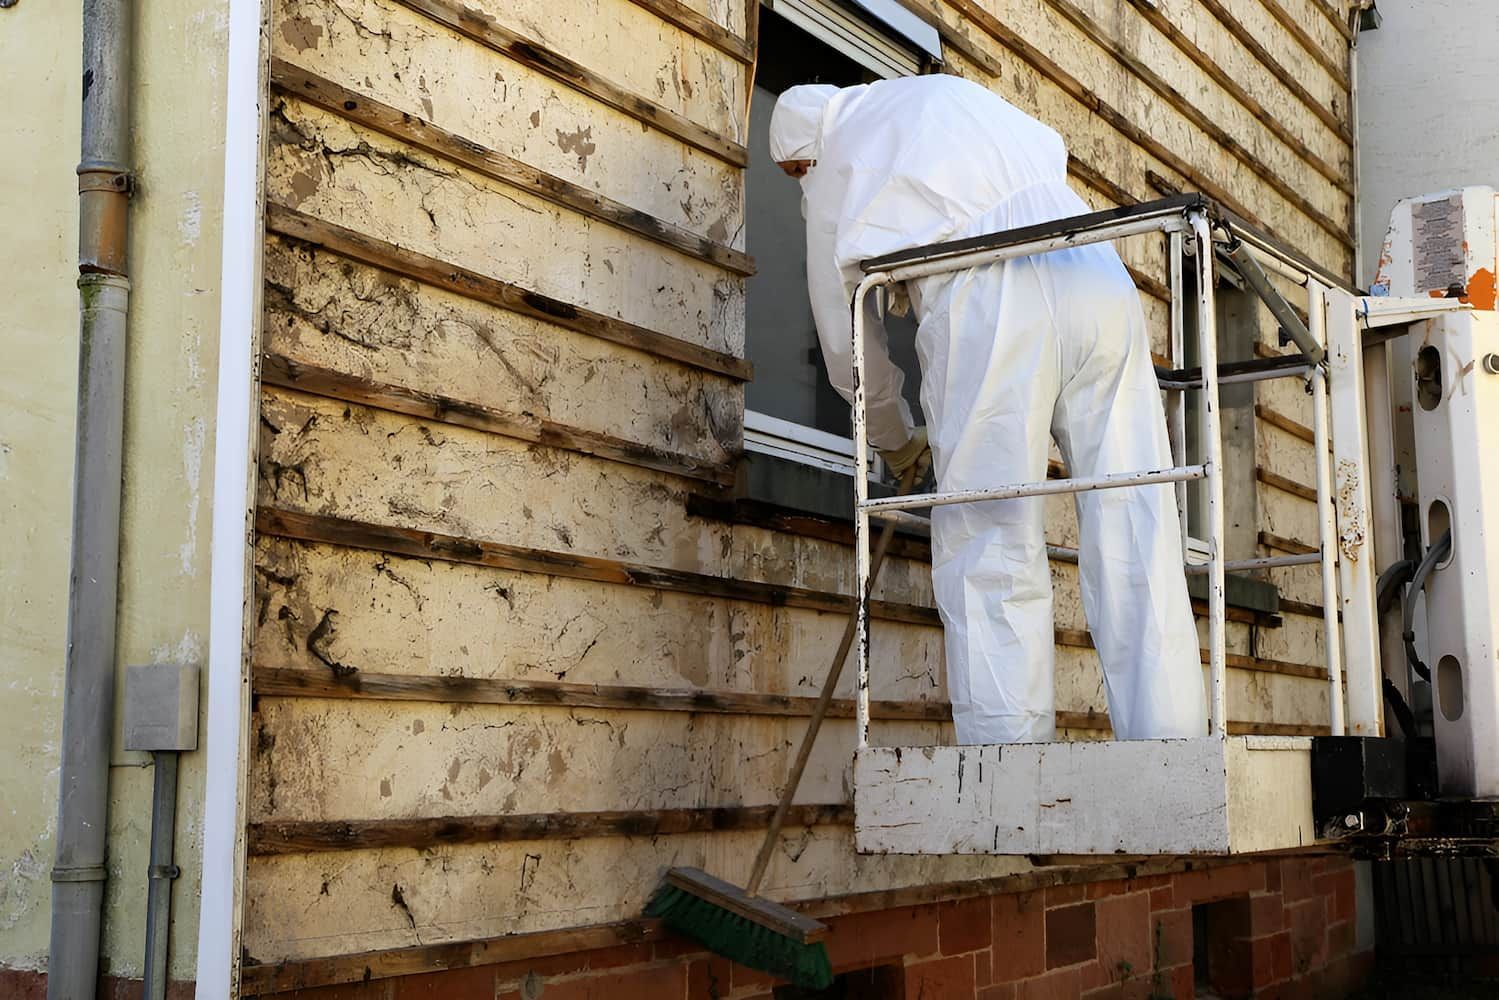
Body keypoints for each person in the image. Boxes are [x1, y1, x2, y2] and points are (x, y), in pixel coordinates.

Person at [769, 75, 1206, 745]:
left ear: (802, 152)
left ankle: (1007, 751)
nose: (802, 182)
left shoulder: (837, 157)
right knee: (1133, 507)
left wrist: (894, 440)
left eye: (796, 171)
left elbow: (845, 338)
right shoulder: (933, 95)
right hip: (1093, 267)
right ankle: (1170, 737)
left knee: (989, 525)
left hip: (990, 289)